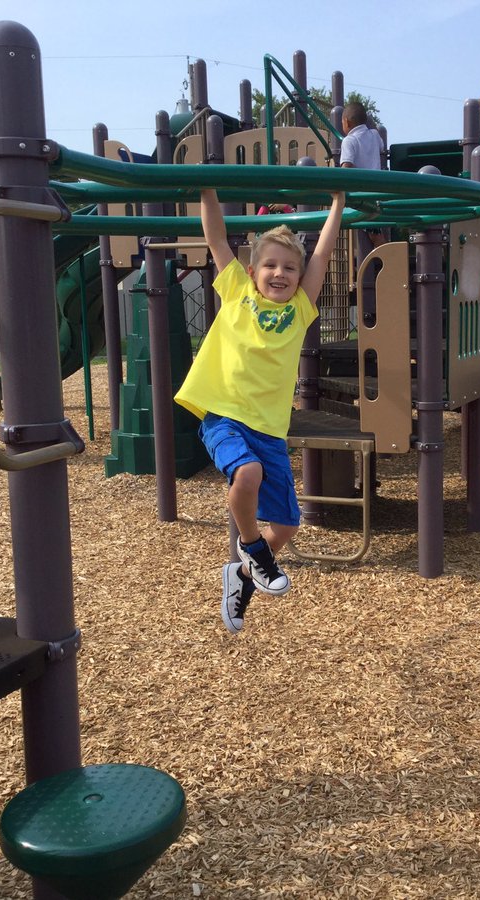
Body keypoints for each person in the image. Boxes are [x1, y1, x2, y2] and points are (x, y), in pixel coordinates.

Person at [175, 187, 346, 634]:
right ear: (252, 272)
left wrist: (337, 205)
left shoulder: (300, 309)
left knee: (287, 524)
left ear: (300, 277)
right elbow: (216, 239)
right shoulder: (237, 292)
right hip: (225, 415)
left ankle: (243, 574)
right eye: (270, 265)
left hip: (269, 429)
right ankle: (252, 549)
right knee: (246, 473)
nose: (279, 273)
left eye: (289, 268)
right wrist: (208, 191)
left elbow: (323, 254)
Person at [339, 101, 386, 248]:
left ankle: (385, 254)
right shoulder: (374, 134)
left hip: (361, 195)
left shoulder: (349, 140)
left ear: (346, 122)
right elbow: (382, 147)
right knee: (374, 229)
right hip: (377, 192)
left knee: (374, 234)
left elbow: (346, 167)